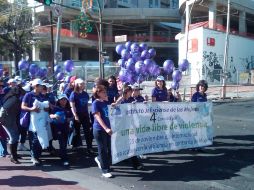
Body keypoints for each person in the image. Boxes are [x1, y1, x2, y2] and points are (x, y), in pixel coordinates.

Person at [21, 78, 46, 166]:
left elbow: (43, 106)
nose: (42, 87)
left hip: (41, 121)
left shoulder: (41, 96)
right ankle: (34, 157)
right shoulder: (28, 95)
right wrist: (32, 109)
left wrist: (46, 107)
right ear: (36, 86)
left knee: (39, 139)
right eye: (41, 86)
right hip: (31, 121)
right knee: (34, 139)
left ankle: (37, 156)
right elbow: (23, 106)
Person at [92, 85, 113, 178]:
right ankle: (105, 170)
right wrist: (106, 128)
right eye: (103, 92)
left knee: (109, 148)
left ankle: (99, 159)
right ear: (98, 93)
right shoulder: (95, 103)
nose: (105, 93)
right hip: (99, 130)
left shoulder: (105, 102)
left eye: (105, 91)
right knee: (103, 149)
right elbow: (98, 117)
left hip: (107, 129)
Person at [1, 85, 25, 164]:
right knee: (13, 137)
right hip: (7, 121)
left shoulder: (13, 98)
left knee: (16, 136)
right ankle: (13, 157)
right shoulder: (14, 99)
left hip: (11, 120)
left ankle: (15, 154)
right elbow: (4, 109)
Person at [69, 78, 93, 154]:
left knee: (87, 131)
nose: (83, 85)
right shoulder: (73, 94)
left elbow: (86, 104)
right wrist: (75, 115)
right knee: (76, 131)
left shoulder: (85, 94)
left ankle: (89, 147)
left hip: (85, 114)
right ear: (77, 85)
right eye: (81, 84)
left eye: (83, 83)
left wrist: (88, 115)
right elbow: (72, 106)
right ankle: (74, 145)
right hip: (77, 114)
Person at [50, 94, 72, 166]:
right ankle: (64, 159)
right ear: (59, 101)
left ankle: (62, 154)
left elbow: (71, 117)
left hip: (65, 128)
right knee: (62, 143)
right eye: (62, 99)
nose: (63, 101)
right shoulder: (56, 108)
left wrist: (69, 119)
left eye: (65, 99)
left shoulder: (68, 109)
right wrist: (54, 116)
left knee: (64, 144)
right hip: (58, 128)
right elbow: (50, 115)